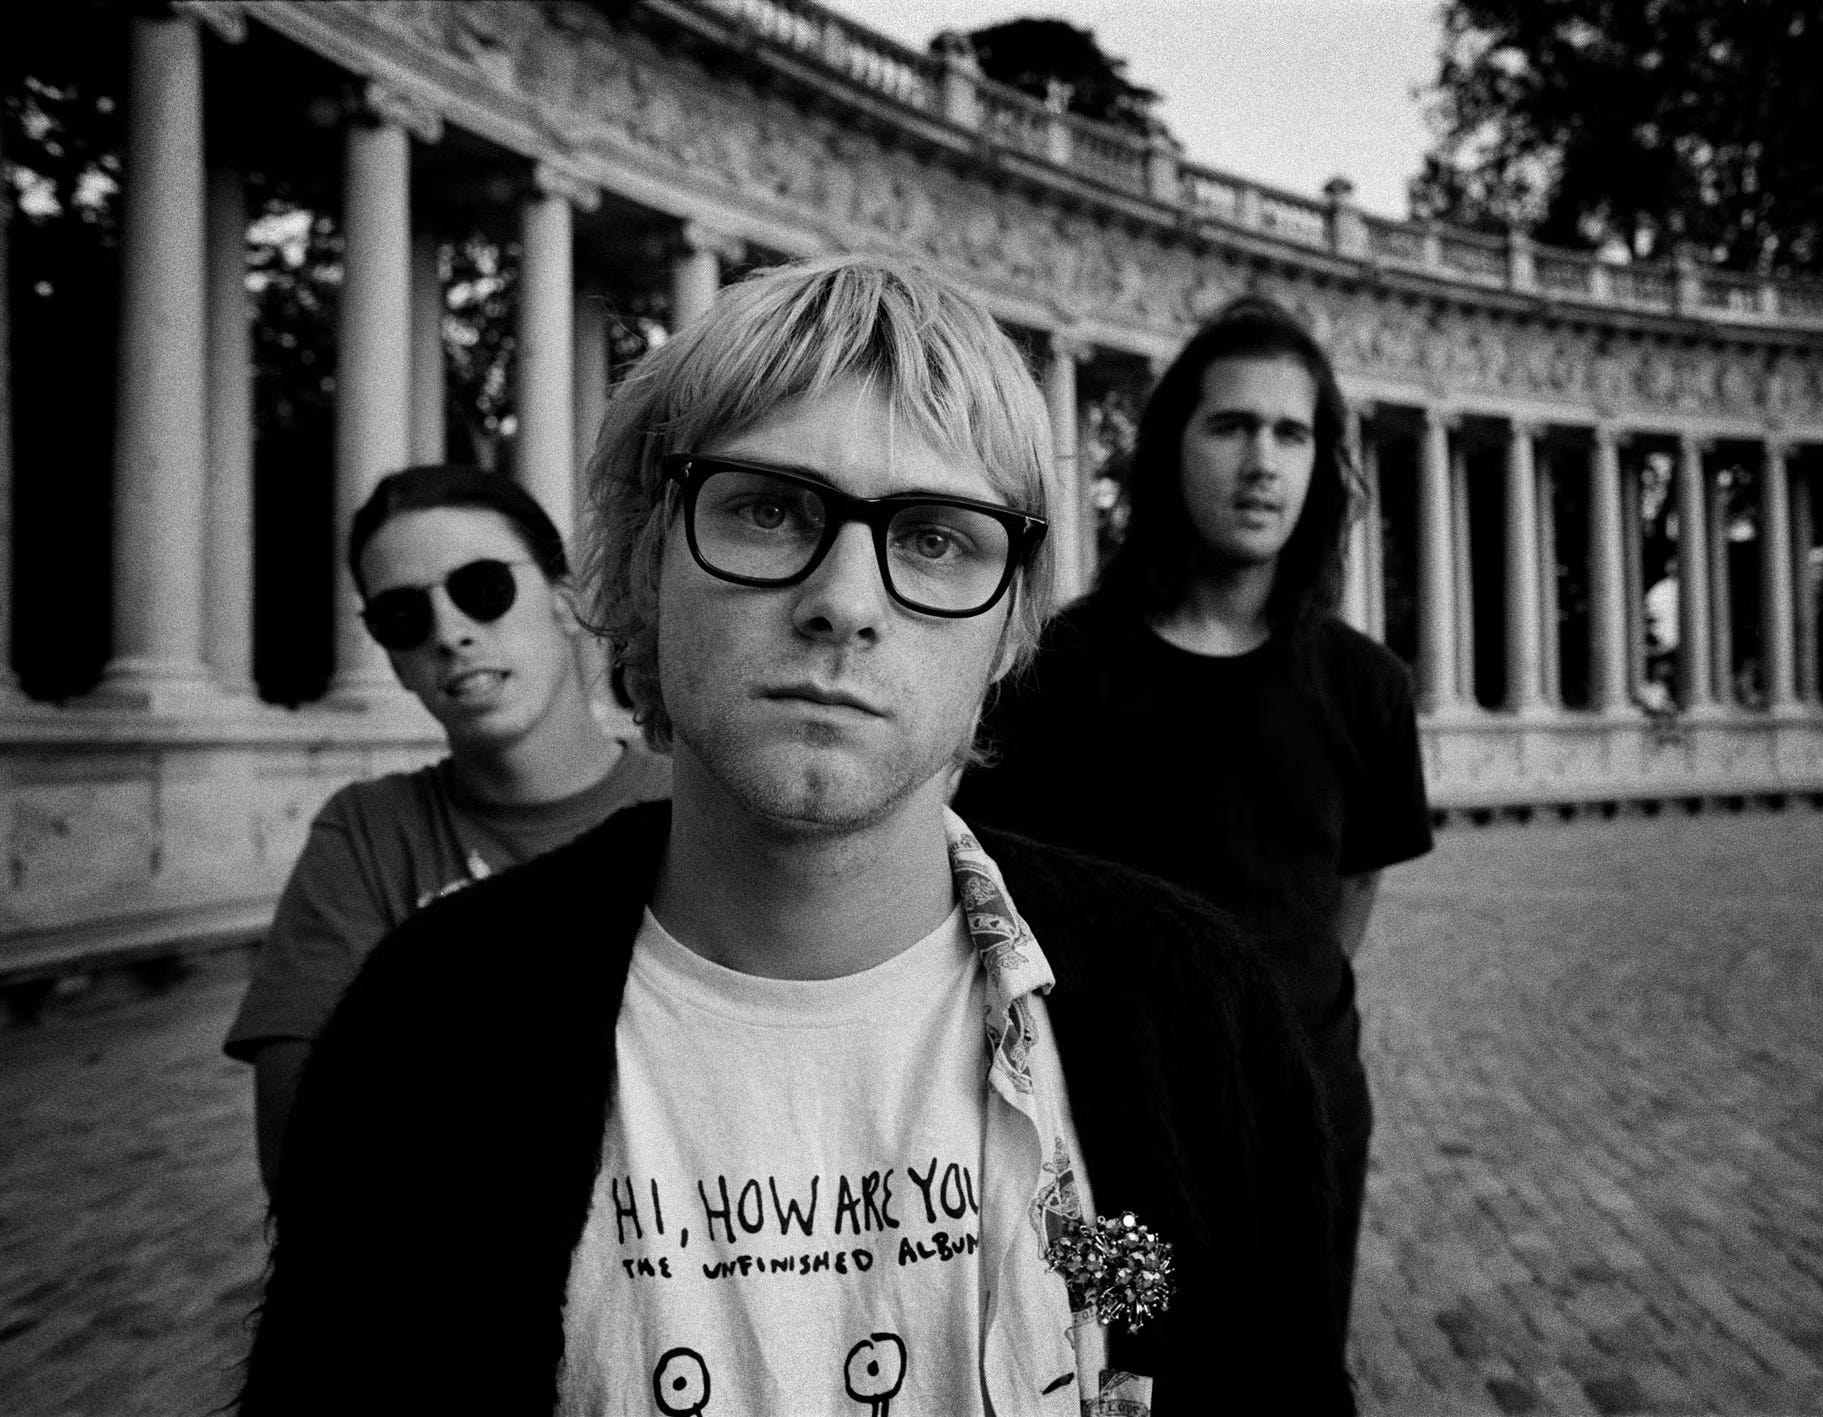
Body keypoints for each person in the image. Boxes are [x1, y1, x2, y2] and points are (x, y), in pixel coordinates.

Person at [237, 258, 1351, 1415]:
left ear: (1011, 627)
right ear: (644, 564)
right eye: (768, 509)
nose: (845, 603)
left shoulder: (1200, 1010)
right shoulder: (424, 1024)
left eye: (934, 538)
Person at [954, 296, 1435, 1318]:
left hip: (1308, 1113)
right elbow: (1002, 901)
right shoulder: (1052, 672)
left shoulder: (1368, 688)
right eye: (1231, 426)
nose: (1262, 461)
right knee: (1118, 1378)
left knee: (1296, 1373)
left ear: (1320, 465)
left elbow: (1349, 891)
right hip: (1111, 1128)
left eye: (1291, 433)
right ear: (1171, 445)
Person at [223, 466, 669, 1190]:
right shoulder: (366, 833)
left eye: (482, 588)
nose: (449, 633)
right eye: (402, 616)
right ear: (393, 661)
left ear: (563, 600)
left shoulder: (699, 807)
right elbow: (306, 1163)